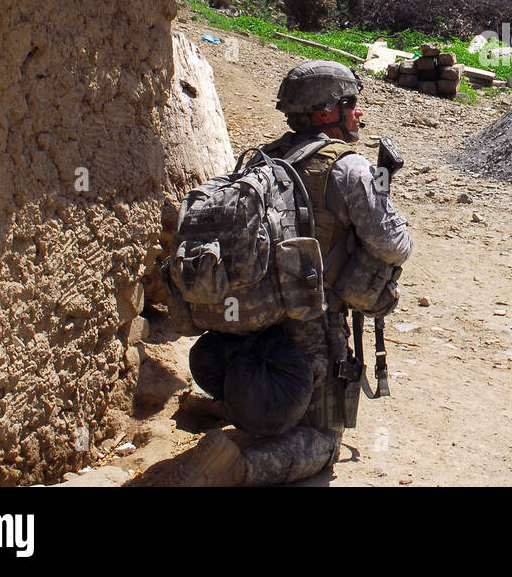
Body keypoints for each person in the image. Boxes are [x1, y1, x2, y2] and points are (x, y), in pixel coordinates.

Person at [170, 60, 412, 486]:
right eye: (350, 104)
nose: (359, 113)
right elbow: (394, 245)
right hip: (312, 324)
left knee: (277, 388)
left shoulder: (263, 158)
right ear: (324, 113)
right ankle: (238, 469)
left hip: (256, 312)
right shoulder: (350, 168)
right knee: (324, 439)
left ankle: (233, 409)